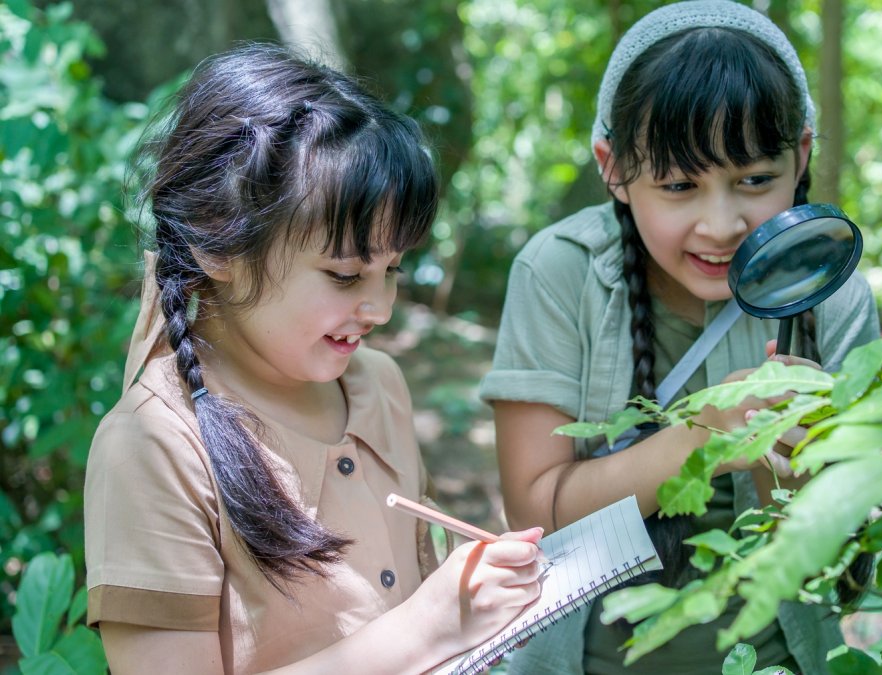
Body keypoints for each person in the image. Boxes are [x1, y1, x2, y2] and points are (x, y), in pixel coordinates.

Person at [84, 45, 542, 675]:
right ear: (220, 244)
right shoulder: (153, 446)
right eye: (346, 274)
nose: (380, 307)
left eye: (393, 269)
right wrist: (426, 629)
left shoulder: (380, 384)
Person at [480, 2, 880, 673]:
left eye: (754, 180)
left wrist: (789, 474)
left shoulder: (833, 291)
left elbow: (845, 571)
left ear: (801, 153)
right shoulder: (560, 273)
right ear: (613, 168)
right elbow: (534, 511)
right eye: (677, 185)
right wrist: (704, 437)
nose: (721, 224)